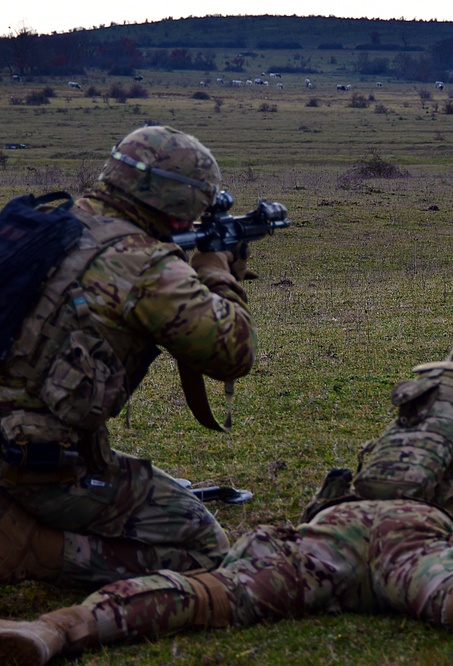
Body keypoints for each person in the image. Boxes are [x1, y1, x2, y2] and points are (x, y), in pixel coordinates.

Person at [0, 320, 453, 666]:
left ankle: (57, 629)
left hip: (337, 530)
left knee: (217, 593)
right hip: (418, 543)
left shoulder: (421, 422)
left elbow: (371, 477)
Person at [0, 125, 256, 589]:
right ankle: (32, 548)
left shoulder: (48, 222)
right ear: (178, 200)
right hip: (37, 461)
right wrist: (217, 270)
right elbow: (232, 353)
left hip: (11, 438)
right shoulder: (143, 264)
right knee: (204, 548)